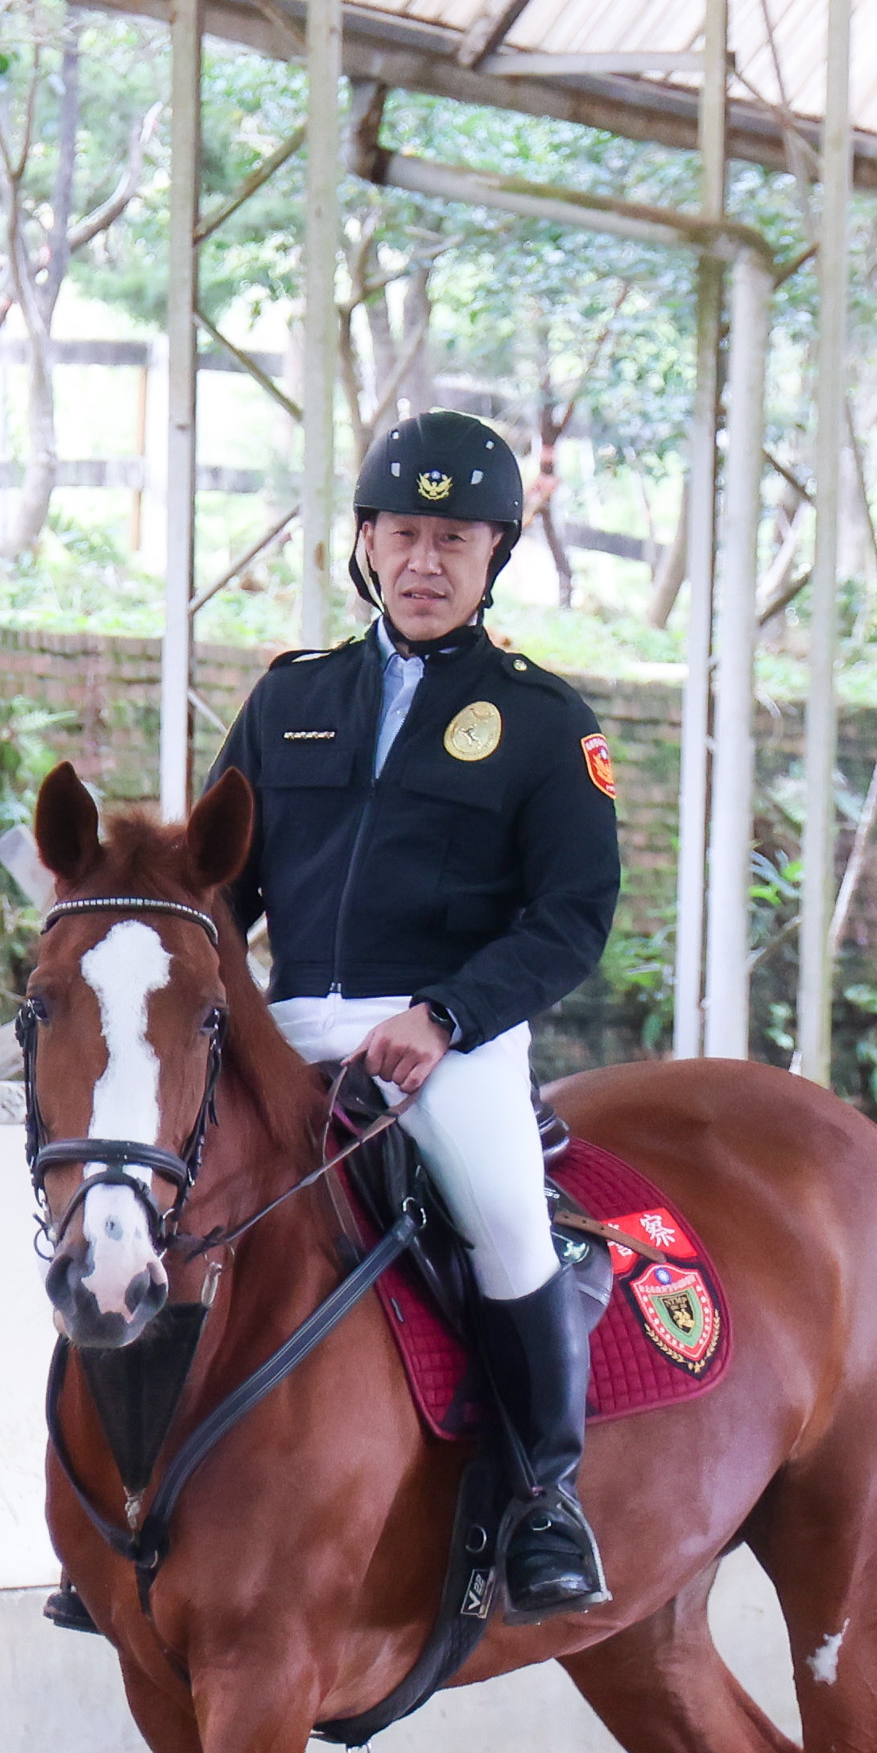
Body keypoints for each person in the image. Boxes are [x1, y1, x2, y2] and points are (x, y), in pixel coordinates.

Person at [205, 410, 625, 1614]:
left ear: (495, 555)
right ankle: (129, 1493)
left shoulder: (545, 723)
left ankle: (545, 1498)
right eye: (403, 534)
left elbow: (571, 914)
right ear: (366, 544)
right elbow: (219, 885)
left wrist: (446, 1016)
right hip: (290, 1027)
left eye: (453, 538)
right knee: (149, 1195)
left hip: (450, 1039)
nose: (425, 561)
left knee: (501, 1213)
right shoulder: (289, 700)